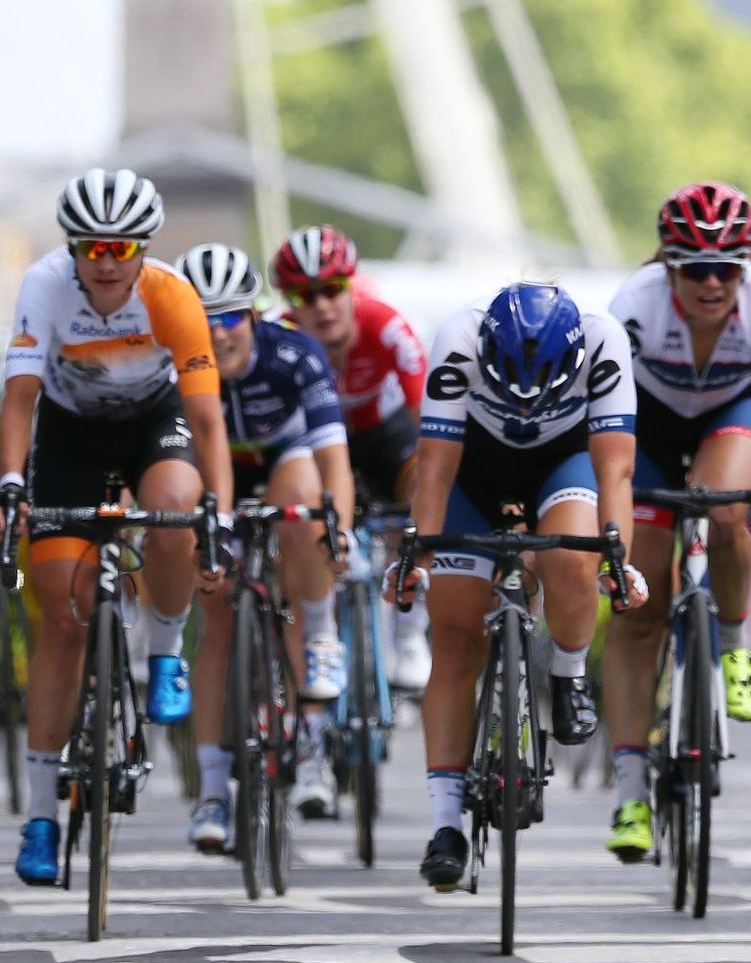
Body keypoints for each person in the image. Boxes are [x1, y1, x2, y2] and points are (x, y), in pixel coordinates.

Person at [3, 168, 234, 885]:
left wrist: (218, 514)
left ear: (143, 248)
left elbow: (204, 419)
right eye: (91, 247)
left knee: (172, 509)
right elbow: (19, 398)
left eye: (122, 247)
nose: (106, 261)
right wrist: (11, 485)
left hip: (152, 425)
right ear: (72, 248)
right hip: (69, 434)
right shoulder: (44, 286)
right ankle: (42, 814)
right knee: (63, 619)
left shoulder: (171, 295)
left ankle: (164, 652)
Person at [599, 183, 751, 862]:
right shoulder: (633, 306)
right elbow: (605, 431)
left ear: (747, 265)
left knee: (726, 510)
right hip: (651, 420)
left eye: (727, 267)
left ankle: (730, 649)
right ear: (666, 265)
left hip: (738, 408)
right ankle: (631, 793)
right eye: (693, 267)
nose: (711, 282)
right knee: (640, 611)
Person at [388, 283, 643, 890]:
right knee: (453, 645)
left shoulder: (606, 338)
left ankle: (570, 674)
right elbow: (437, 467)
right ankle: (446, 825)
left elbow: (616, 469)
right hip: (473, 468)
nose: (526, 404)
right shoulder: (457, 338)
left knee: (573, 561)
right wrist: (416, 554)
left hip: (563, 462)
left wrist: (617, 557)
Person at [177, 245, 353, 845]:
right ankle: (210, 791)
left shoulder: (293, 352)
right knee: (218, 619)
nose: (218, 333)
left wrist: (341, 531)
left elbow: (335, 460)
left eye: (230, 317)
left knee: (305, 504)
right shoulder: (174, 360)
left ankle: (312, 735)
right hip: (215, 469)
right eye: (205, 319)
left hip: (284, 460)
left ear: (253, 314)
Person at [274, 225, 432, 691]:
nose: (321, 306)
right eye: (305, 295)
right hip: (316, 442)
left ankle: (410, 628)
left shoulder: (387, 325)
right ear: (290, 302)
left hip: (382, 434)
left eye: (332, 289)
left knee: (427, 484)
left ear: (352, 286)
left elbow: (427, 418)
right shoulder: (278, 335)